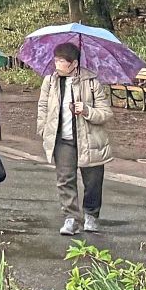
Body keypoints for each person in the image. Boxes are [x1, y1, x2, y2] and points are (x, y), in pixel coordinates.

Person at [37, 43, 113, 236]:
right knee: (64, 179)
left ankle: (91, 214)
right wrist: (44, 129)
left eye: (61, 61)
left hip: (89, 138)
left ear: (73, 63)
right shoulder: (51, 81)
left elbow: (106, 113)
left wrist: (86, 110)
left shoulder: (91, 81)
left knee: (93, 180)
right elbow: (43, 107)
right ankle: (70, 218)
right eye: (55, 60)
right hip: (62, 138)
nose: (57, 64)